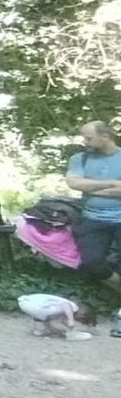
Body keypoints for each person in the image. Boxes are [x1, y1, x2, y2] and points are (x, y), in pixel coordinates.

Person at [65, 120, 121, 294]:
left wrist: (90, 187)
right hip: (93, 220)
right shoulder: (80, 159)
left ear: (105, 136)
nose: (84, 142)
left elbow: (83, 185)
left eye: (88, 138)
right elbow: (74, 183)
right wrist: (112, 184)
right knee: (91, 263)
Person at [16, 293, 93, 340]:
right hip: (35, 305)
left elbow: (61, 321)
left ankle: (39, 331)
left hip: (25, 304)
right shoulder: (71, 305)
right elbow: (65, 304)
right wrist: (71, 320)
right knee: (45, 315)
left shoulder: (56, 309)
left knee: (43, 318)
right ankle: (73, 334)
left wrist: (56, 330)